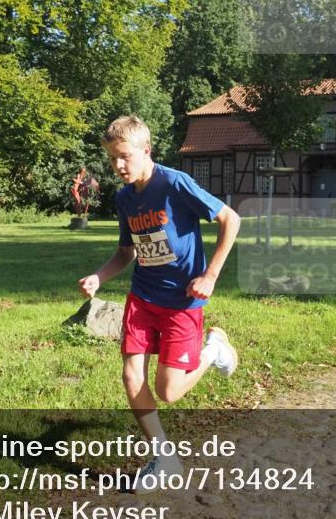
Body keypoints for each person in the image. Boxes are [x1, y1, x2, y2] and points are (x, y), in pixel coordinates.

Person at [78, 115, 242, 490]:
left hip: (182, 301)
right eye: (112, 158)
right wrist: (99, 277)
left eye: (125, 156)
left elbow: (230, 219)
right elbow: (126, 252)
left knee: (169, 391)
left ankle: (213, 350)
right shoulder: (124, 198)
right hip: (142, 296)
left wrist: (210, 276)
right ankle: (164, 458)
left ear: (146, 150)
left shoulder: (174, 183)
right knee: (130, 375)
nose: (119, 165)